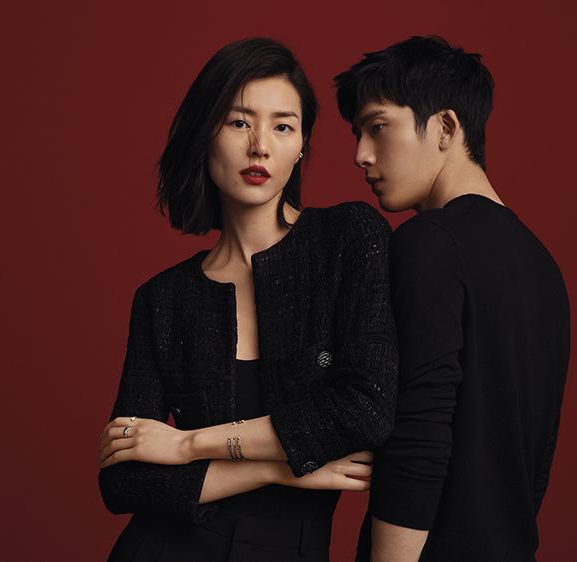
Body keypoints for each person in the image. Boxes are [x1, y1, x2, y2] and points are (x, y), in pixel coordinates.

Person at [97, 37, 398, 561]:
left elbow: (365, 410)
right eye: (239, 122)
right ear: (205, 135)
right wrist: (285, 469)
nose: (260, 146)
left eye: (282, 126)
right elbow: (123, 481)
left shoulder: (348, 238)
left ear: (301, 146)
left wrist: (187, 444)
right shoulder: (163, 299)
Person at [334, 35, 571, 561]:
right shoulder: (543, 265)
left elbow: (418, 436)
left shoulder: (429, 243)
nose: (361, 155)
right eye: (358, 134)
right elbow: (538, 453)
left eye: (377, 128)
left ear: (445, 128)